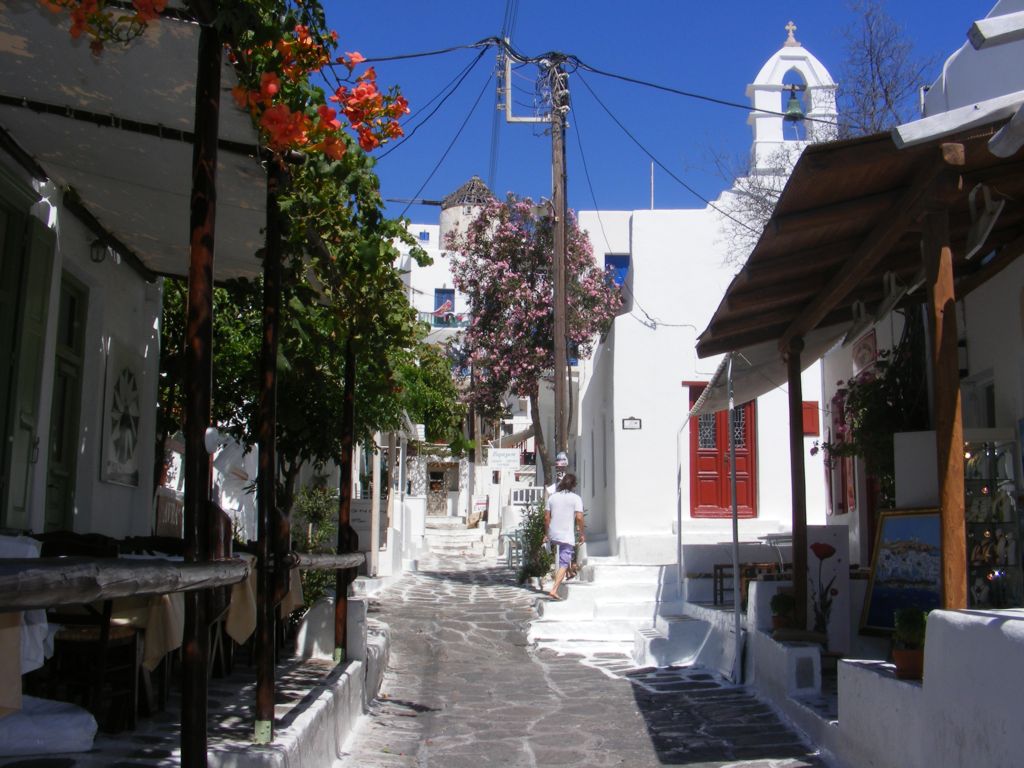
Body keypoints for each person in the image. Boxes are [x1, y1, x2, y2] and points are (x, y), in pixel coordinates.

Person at [544, 473, 584, 600]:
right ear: (573, 485)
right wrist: (582, 533)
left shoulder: (552, 498)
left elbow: (546, 518)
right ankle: (554, 589)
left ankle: (570, 572)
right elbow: (579, 517)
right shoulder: (576, 498)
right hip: (566, 535)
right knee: (564, 562)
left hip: (553, 533)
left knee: (565, 556)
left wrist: (547, 533)